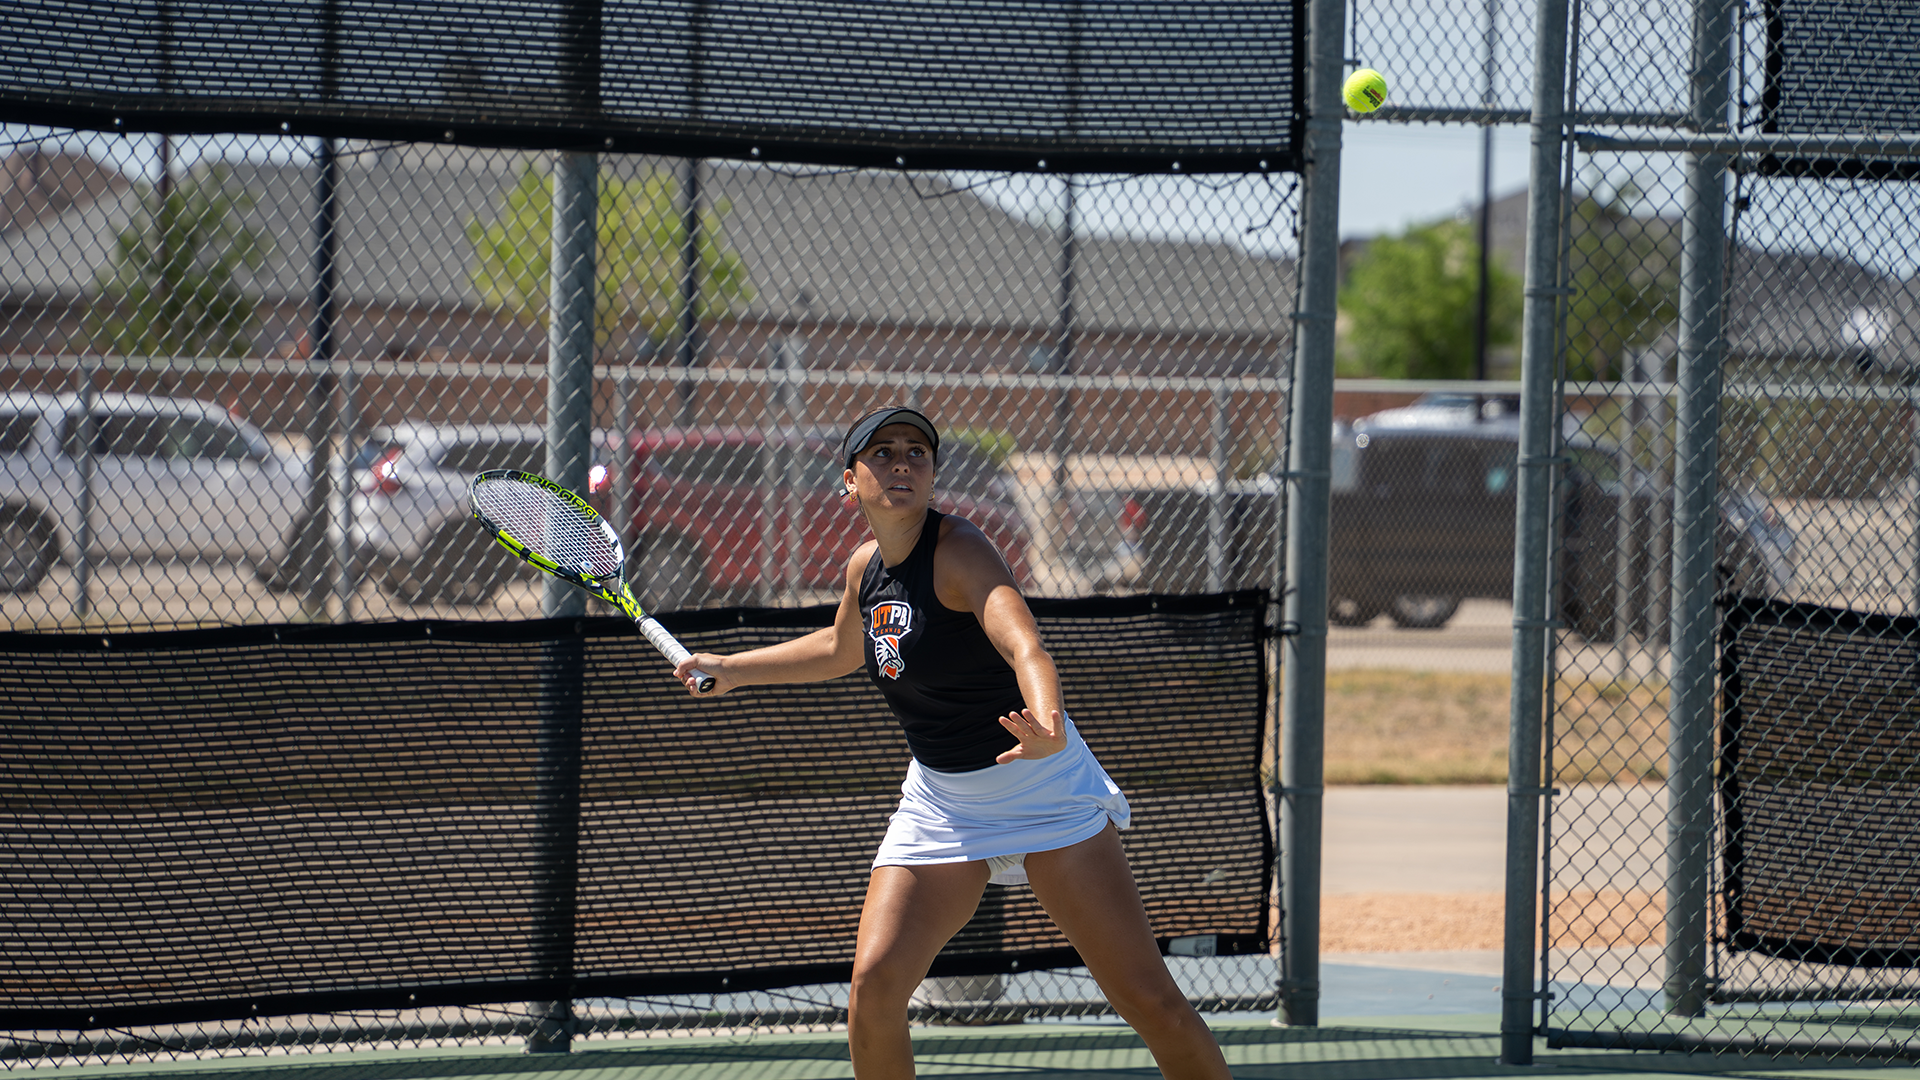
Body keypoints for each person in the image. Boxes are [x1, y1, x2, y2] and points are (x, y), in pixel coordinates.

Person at [672, 405, 1233, 1080]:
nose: (902, 462)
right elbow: (840, 647)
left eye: (917, 453)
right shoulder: (864, 568)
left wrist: (1048, 724)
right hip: (941, 805)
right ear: (849, 481)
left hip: (1043, 788)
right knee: (874, 988)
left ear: (933, 476)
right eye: (882, 453)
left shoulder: (962, 550)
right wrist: (732, 671)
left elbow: (1025, 642)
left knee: (1149, 1001)